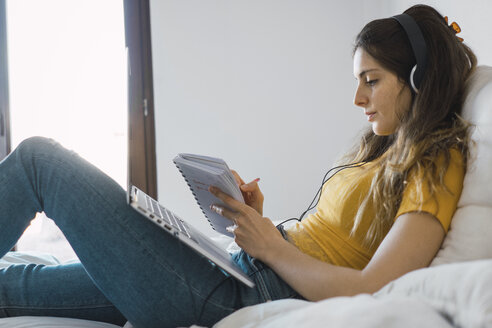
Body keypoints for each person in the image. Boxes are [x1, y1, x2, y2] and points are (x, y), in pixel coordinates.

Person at [0, 4, 476, 328]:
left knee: (40, 160)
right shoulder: (384, 151)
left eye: (371, 80)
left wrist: (271, 247)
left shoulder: (437, 163)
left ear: (418, 78)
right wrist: (263, 227)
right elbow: (326, 244)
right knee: (15, 285)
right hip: (237, 271)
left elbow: (372, 287)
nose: (358, 98)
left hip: (237, 292)